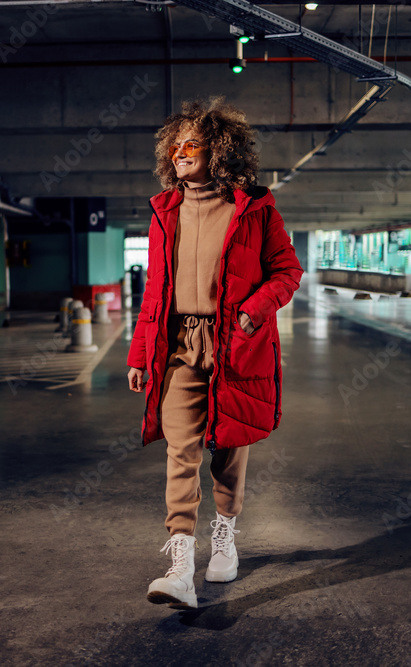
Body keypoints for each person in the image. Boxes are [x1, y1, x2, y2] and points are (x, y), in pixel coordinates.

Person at [126, 98, 303, 609]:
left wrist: (253, 311)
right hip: (179, 344)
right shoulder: (165, 212)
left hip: (236, 342)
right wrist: (141, 354)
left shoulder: (254, 208)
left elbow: (286, 271)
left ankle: (224, 535)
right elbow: (156, 290)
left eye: (192, 145)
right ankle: (180, 564)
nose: (180, 154)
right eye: (174, 146)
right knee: (180, 448)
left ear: (219, 150)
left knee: (229, 445)